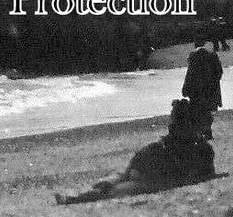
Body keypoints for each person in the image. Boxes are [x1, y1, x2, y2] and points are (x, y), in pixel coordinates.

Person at [54, 98, 215, 204]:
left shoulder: (192, 146)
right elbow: (202, 172)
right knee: (113, 184)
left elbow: (190, 172)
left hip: (149, 177)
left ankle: (74, 199)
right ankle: (78, 196)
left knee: (112, 188)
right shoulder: (199, 146)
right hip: (146, 173)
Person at [182, 38, 223, 138]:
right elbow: (219, 72)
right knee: (208, 111)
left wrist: (186, 89)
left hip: (197, 91)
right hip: (211, 90)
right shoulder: (213, 55)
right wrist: (214, 83)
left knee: (197, 112)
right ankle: (207, 131)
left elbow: (190, 75)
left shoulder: (193, 57)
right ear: (205, 44)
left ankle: (200, 132)